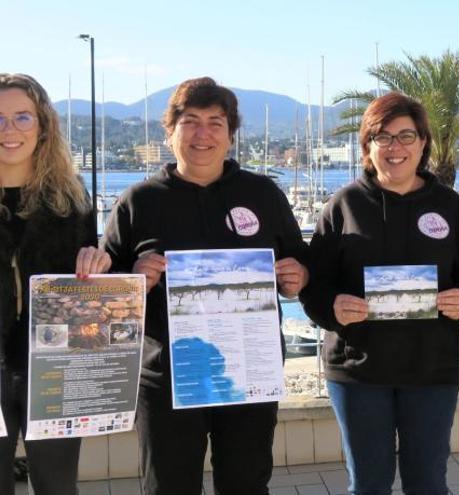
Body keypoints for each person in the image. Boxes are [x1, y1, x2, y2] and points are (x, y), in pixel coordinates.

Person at [101, 77, 309, 495]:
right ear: (170, 131)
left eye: (216, 123)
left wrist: (297, 277)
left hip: (249, 373)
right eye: (191, 121)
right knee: (169, 488)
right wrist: (133, 280)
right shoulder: (138, 202)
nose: (203, 134)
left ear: (230, 135)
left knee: (247, 485)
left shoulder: (263, 193)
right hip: (167, 380)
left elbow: (299, 262)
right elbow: (106, 298)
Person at [300, 92, 459, 494]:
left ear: (423, 142)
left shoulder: (450, 206)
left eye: (406, 136)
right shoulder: (343, 205)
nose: (395, 147)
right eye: (383, 137)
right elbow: (312, 283)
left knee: (427, 483)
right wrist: (332, 306)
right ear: (367, 145)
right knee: (368, 484)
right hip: (358, 372)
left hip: (432, 371)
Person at [0, 73, 111, 494]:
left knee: (58, 485)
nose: (10, 130)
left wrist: (98, 263)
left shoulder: (71, 198)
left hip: (55, 367)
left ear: (43, 125)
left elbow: (86, 278)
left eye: (22, 117)